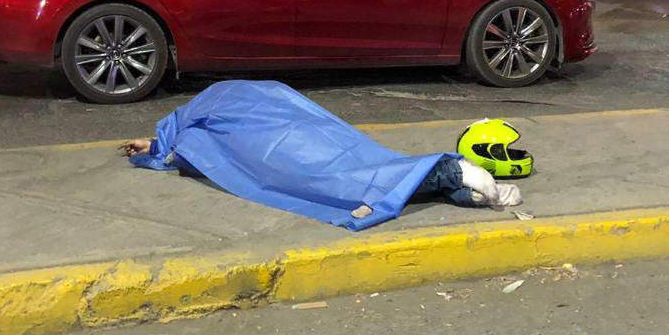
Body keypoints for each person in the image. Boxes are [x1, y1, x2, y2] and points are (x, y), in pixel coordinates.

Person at [122, 80, 524, 231]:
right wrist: (158, 146)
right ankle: (442, 178)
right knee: (350, 168)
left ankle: (443, 173)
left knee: (334, 178)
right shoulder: (200, 118)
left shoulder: (196, 124)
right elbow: (184, 148)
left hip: (285, 134)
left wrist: (160, 148)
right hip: (289, 127)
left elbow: (190, 150)